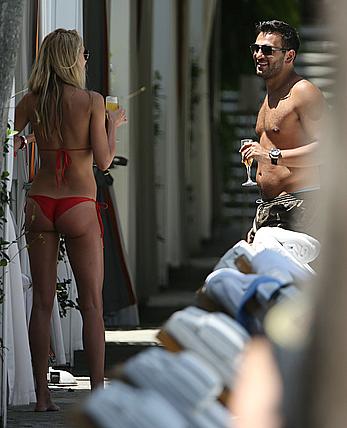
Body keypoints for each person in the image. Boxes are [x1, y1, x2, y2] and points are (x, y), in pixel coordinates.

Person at [14, 28, 127, 411]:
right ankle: (97, 396)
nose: (85, 60)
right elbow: (104, 159)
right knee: (91, 304)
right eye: (82, 54)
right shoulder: (92, 100)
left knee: (42, 303)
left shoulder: (31, 101)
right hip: (79, 204)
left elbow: (10, 141)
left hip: (41, 202)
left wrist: (29, 141)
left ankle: (41, 396)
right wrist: (114, 125)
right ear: (70, 59)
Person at [240, 20, 326, 243]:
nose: (259, 54)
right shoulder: (270, 97)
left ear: (289, 56)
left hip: (299, 208)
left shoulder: (303, 92)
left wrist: (270, 156)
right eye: (256, 48)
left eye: (267, 50)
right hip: (272, 210)